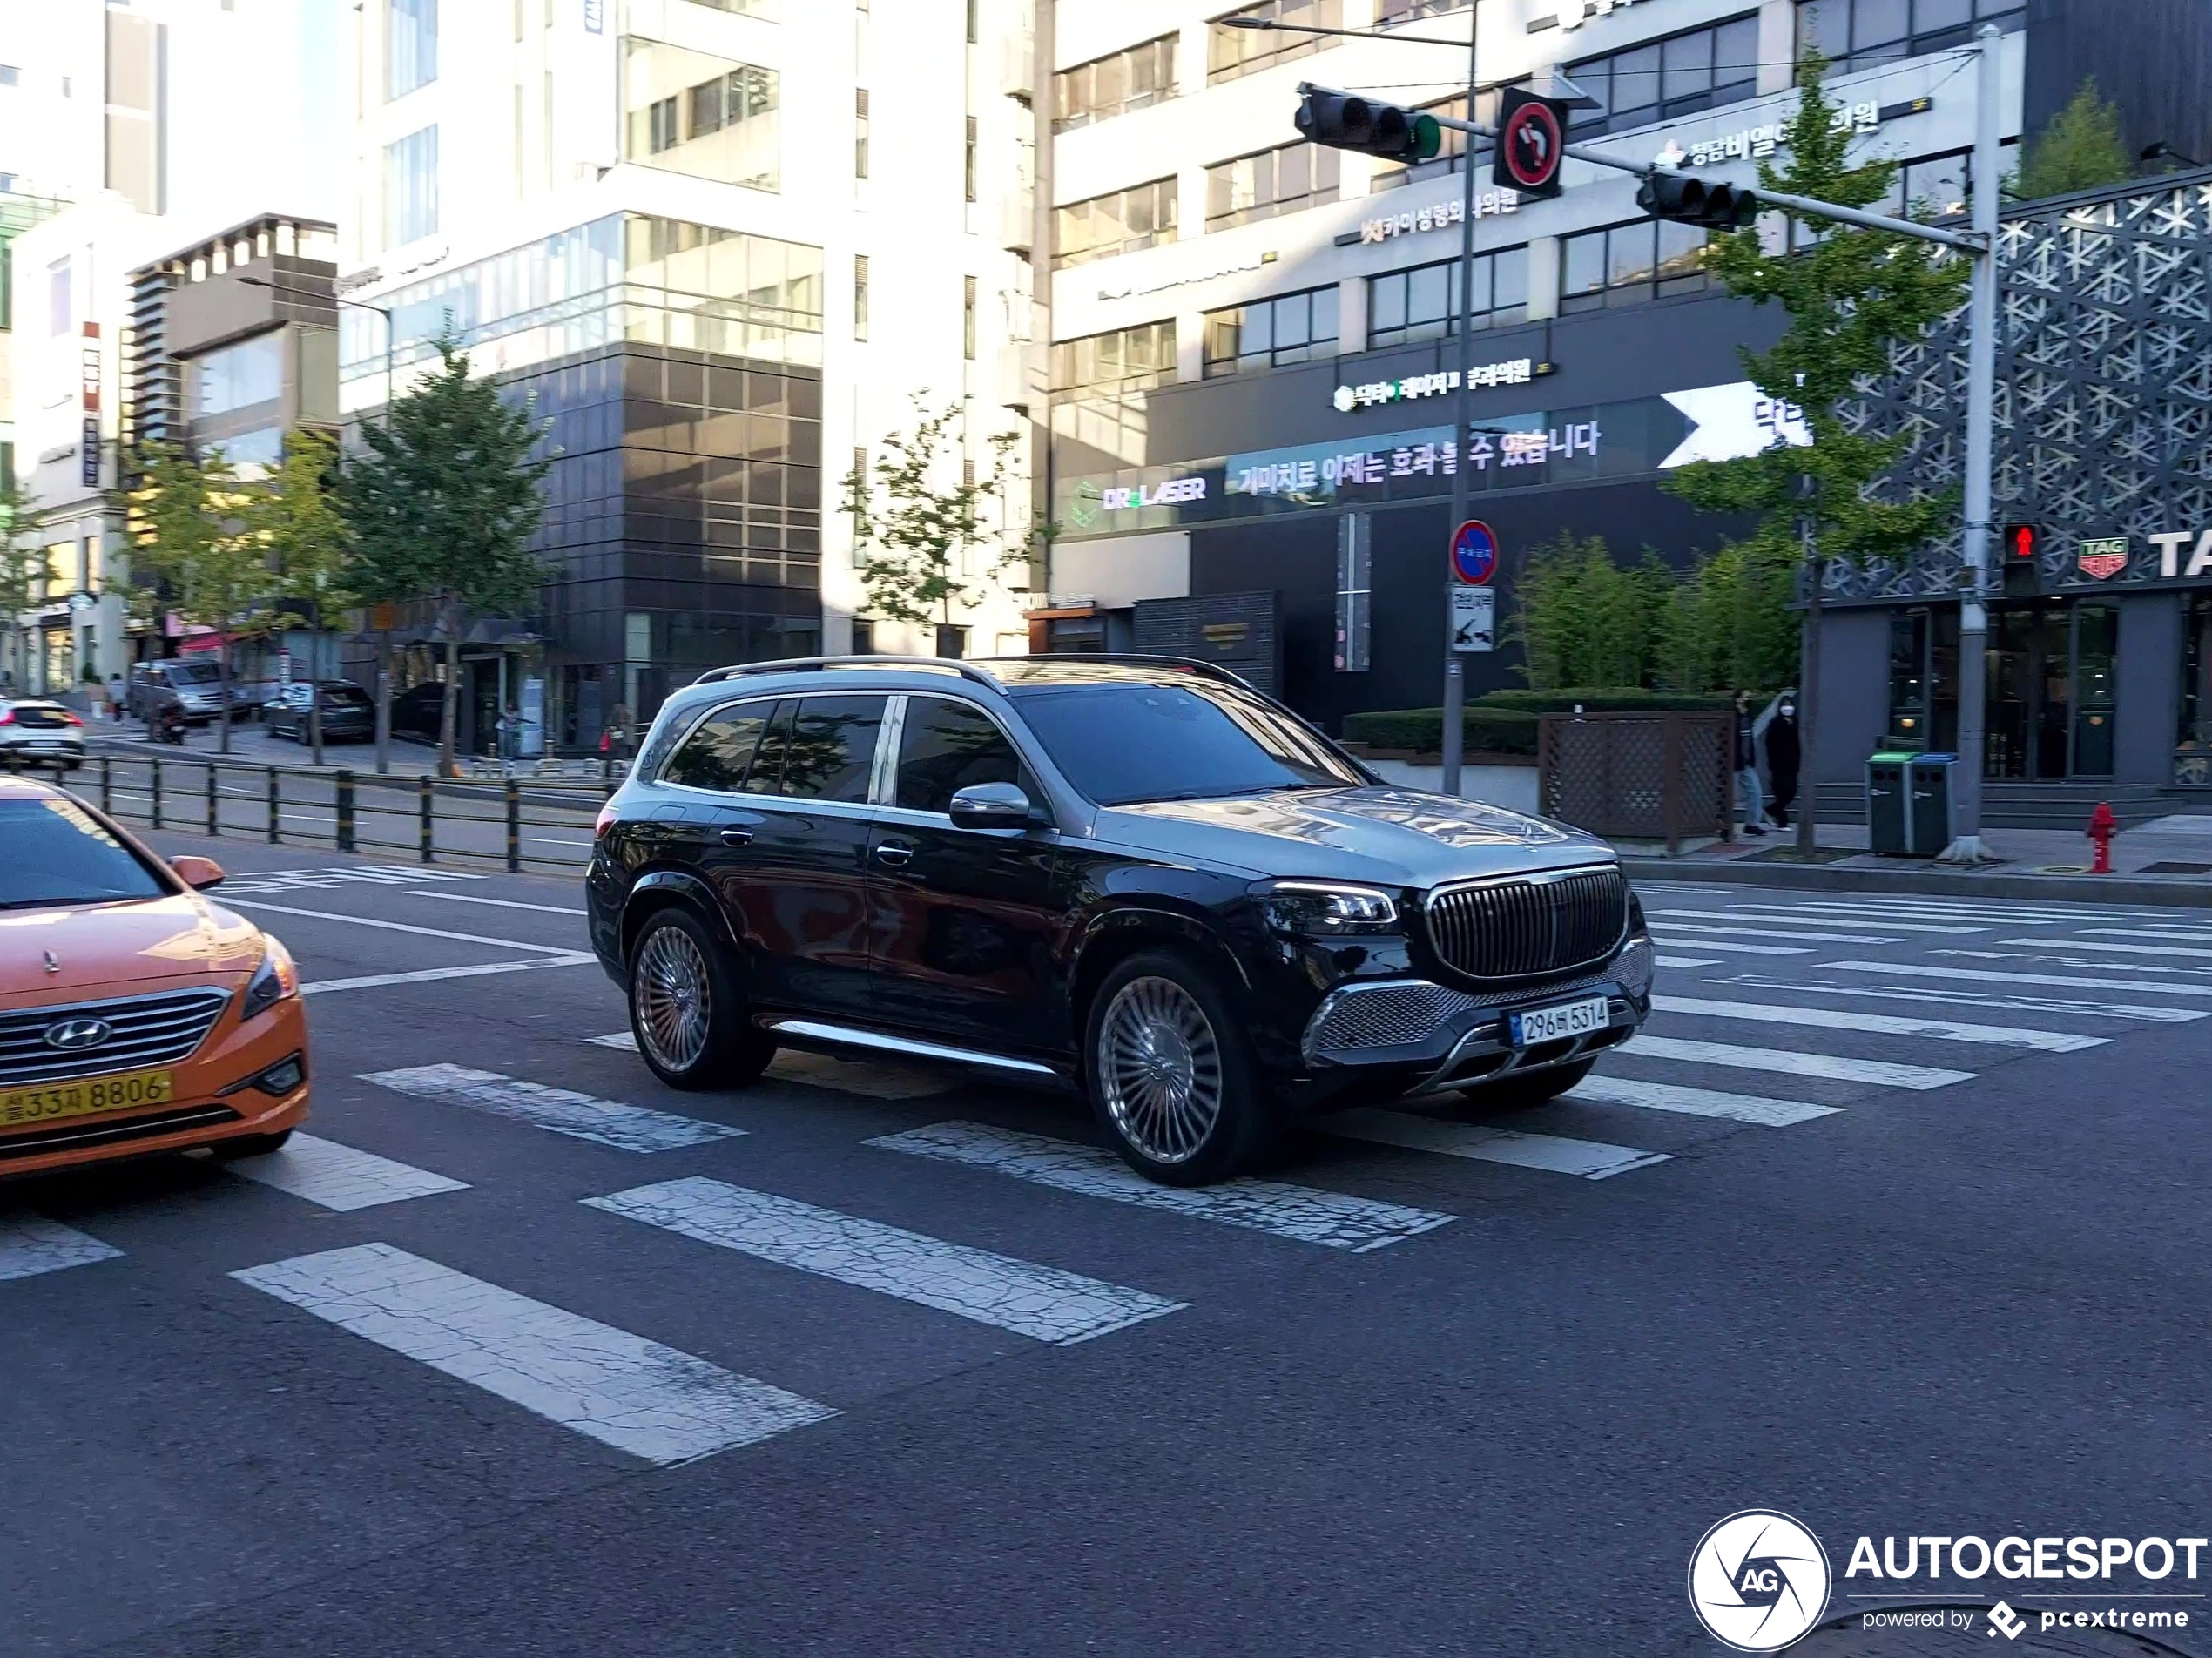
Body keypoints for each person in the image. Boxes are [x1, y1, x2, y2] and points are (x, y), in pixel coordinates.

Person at [1734, 690, 1768, 837]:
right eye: (1745, 696)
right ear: (1738, 699)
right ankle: (1724, 825)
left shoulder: (1748, 716)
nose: (1749, 699)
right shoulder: (1732, 716)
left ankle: (1751, 824)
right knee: (1731, 796)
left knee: (1756, 792)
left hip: (1747, 762)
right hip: (1733, 762)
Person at [1766, 694, 1802, 830]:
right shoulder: (1775, 722)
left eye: (1790, 705)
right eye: (1785, 705)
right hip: (1778, 764)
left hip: (1792, 763)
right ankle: (1782, 822)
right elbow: (1770, 743)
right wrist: (1773, 761)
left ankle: (1770, 810)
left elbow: (1797, 743)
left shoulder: (1795, 722)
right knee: (1780, 791)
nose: (1788, 708)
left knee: (1791, 791)